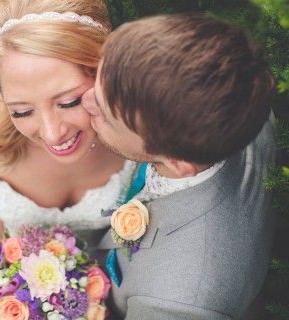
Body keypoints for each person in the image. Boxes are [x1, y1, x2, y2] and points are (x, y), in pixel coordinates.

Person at [82, 14, 277, 319]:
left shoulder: (178, 301)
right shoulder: (243, 100)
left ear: (178, 163)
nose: (85, 101)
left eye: (106, 116)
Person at [0, 0, 138, 250]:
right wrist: (0, 249)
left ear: (106, 70)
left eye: (69, 102)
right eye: (22, 111)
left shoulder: (145, 122)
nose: (52, 134)